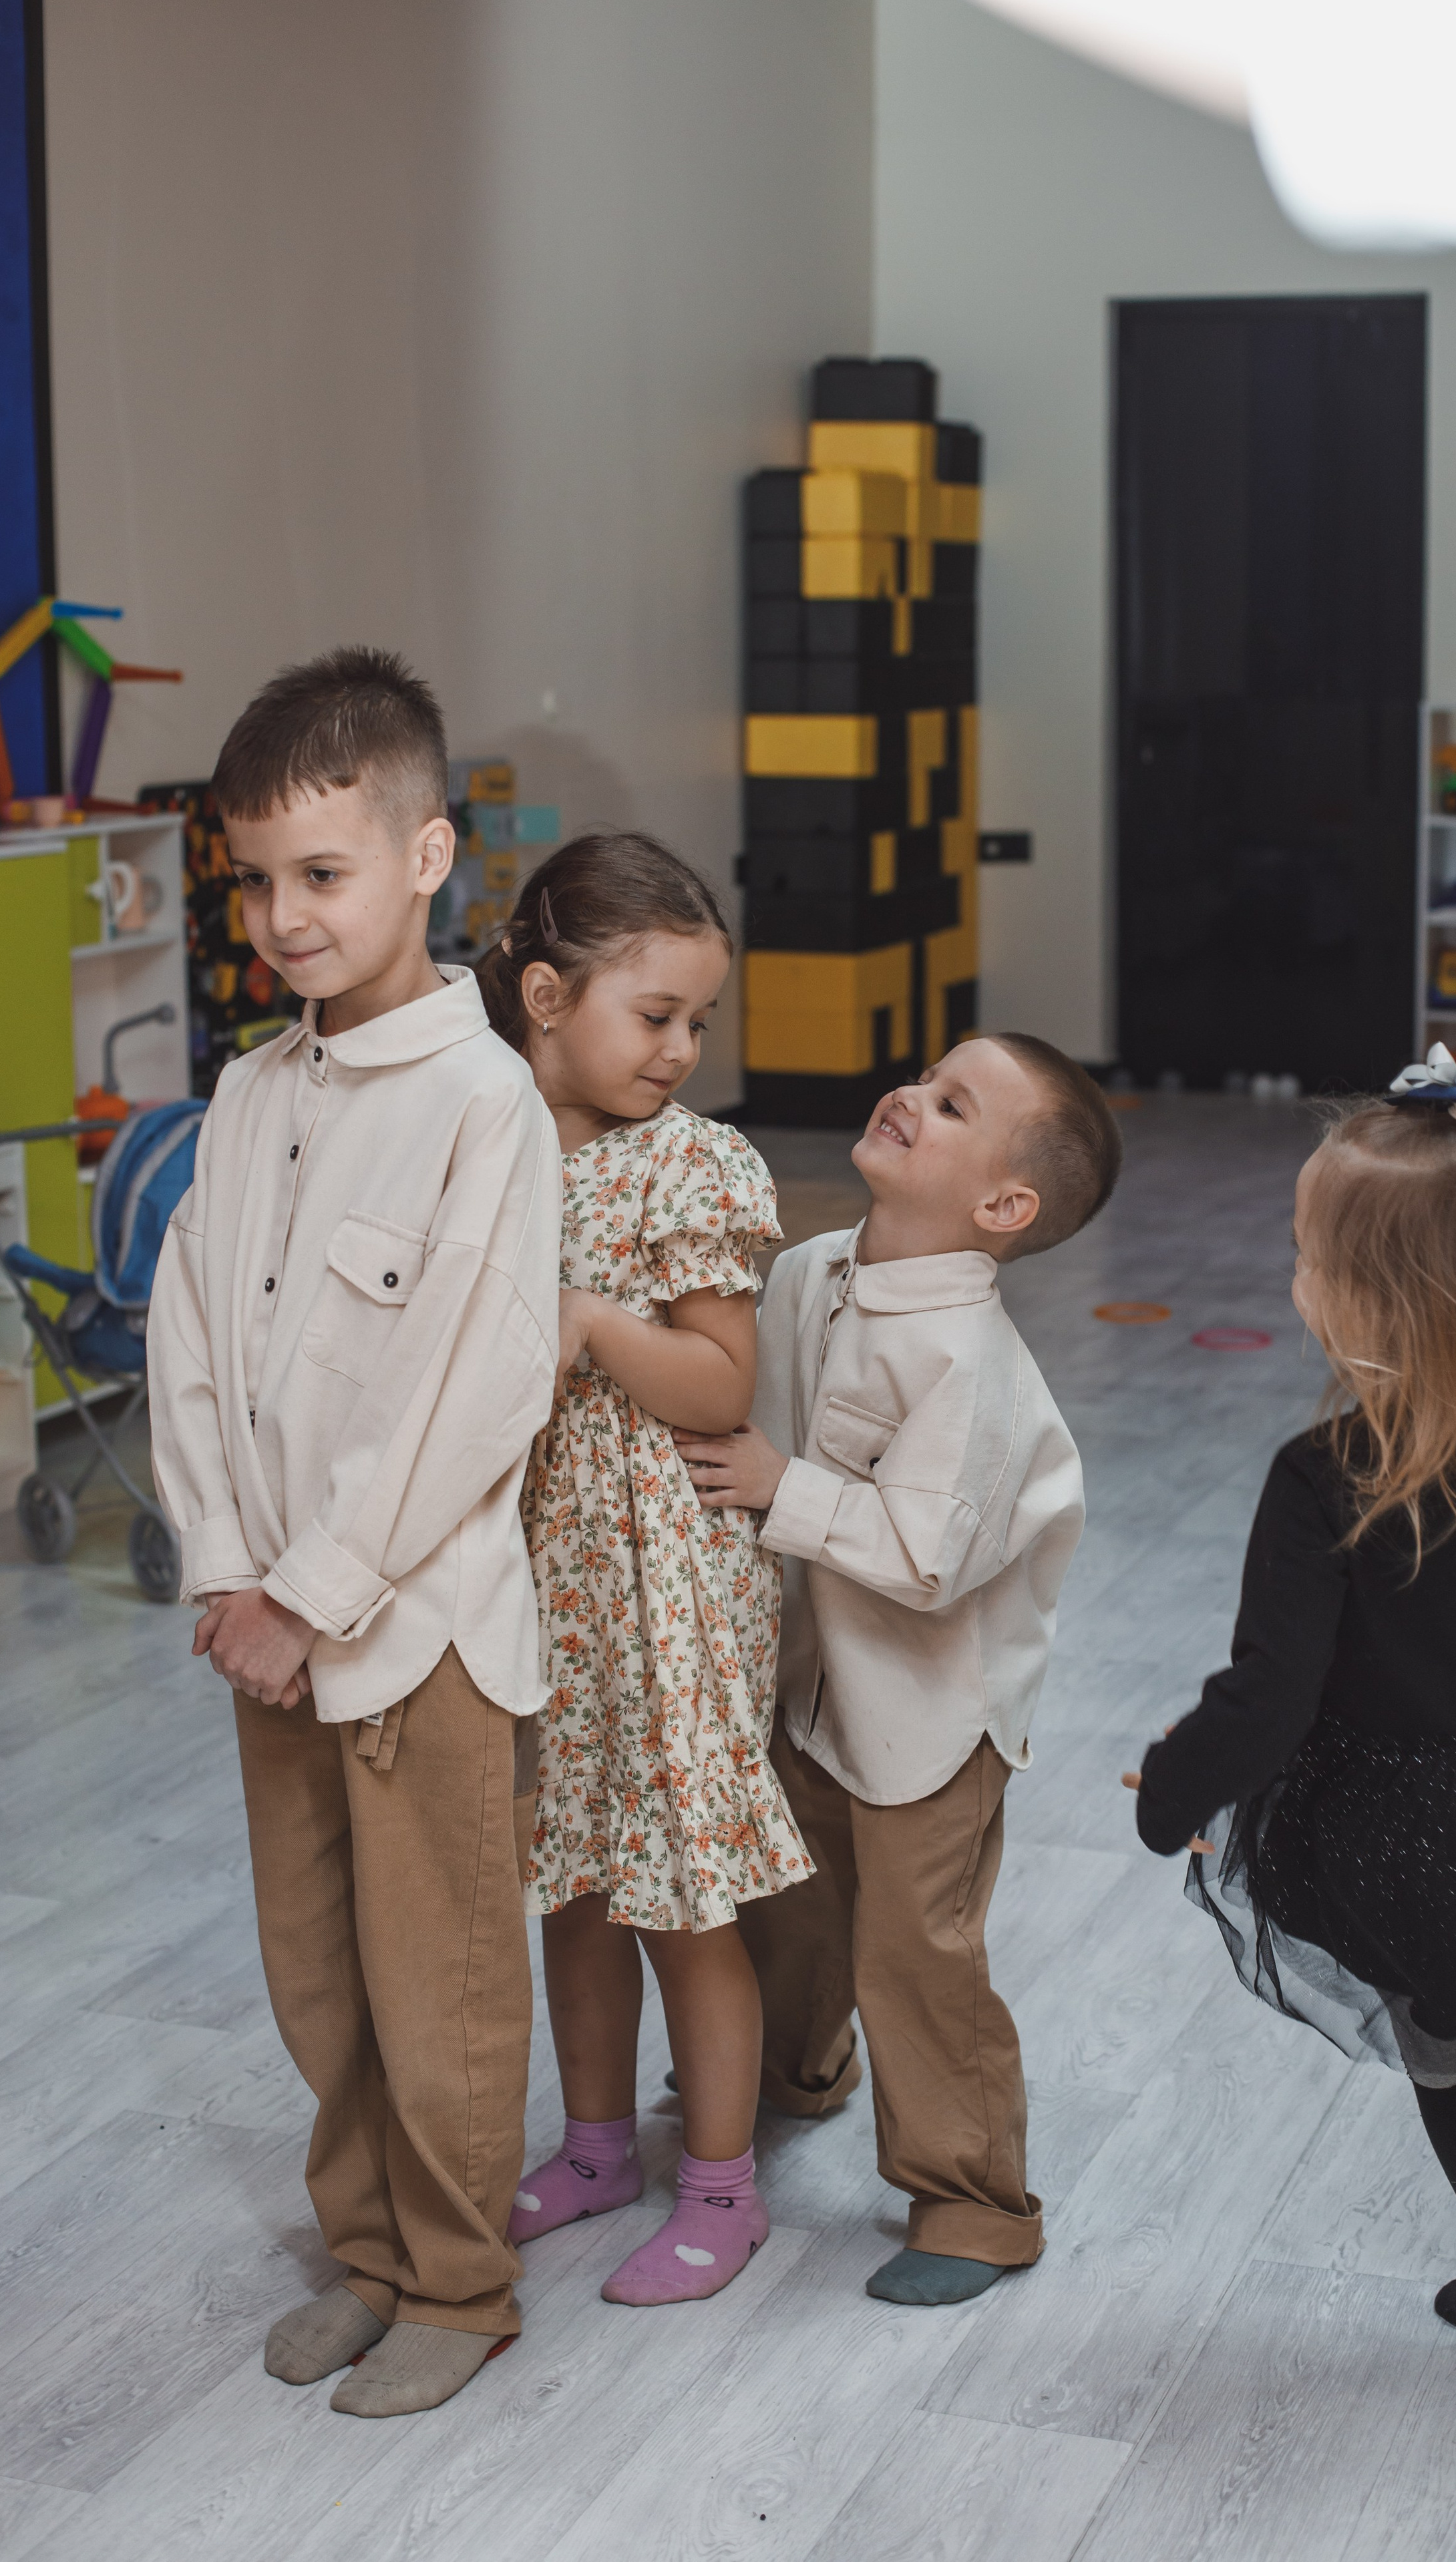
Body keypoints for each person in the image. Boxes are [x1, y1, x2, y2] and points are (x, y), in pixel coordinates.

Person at [148, 647, 562, 2416]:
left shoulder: (484, 1109)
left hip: (419, 1636)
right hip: (265, 1628)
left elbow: (469, 1398)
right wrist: (228, 1564)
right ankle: (372, 2256)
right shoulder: (250, 1099)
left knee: (439, 1973)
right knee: (315, 1963)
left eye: (320, 871)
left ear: (425, 857)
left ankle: (462, 2288)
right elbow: (191, 1343)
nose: (282, 913)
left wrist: (312, 1592)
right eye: (255, 877)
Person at [1128, 1043, 1456, 2337]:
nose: (1295, 1278)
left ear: (1365, 1298)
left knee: (1444, 2045)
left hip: (1403, 1825)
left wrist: (1169, 1795)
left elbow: (1270, 1698)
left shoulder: (1320, 1478)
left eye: (1309, 1255)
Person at [679, 1034, 1121, 2305]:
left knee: (916, 1954)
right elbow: (745, 1398)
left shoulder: (972, 1366)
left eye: (950, 1103)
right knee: (793, 1899)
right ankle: (794, 2074)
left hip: (935, 1714)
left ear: (1003, 1208)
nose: (908, 1097)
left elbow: (928, 1557)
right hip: (814, 1684)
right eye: (923, 1076)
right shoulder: (815, 1272)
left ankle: (974, 2204)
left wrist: (780, 1487)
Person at [478, 832, 811, 2308]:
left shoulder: (693, 1164)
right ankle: (597, 2144)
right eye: (652, 1016)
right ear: (544, 996)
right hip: (544, 1579)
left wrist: (589, 1321)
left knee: (683, 1895)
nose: (679, 1051)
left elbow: (716, 1386)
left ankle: (723, 2190)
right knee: (570, 1883)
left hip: (670, 1591)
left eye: (698, 1024)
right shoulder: (481, 1145)